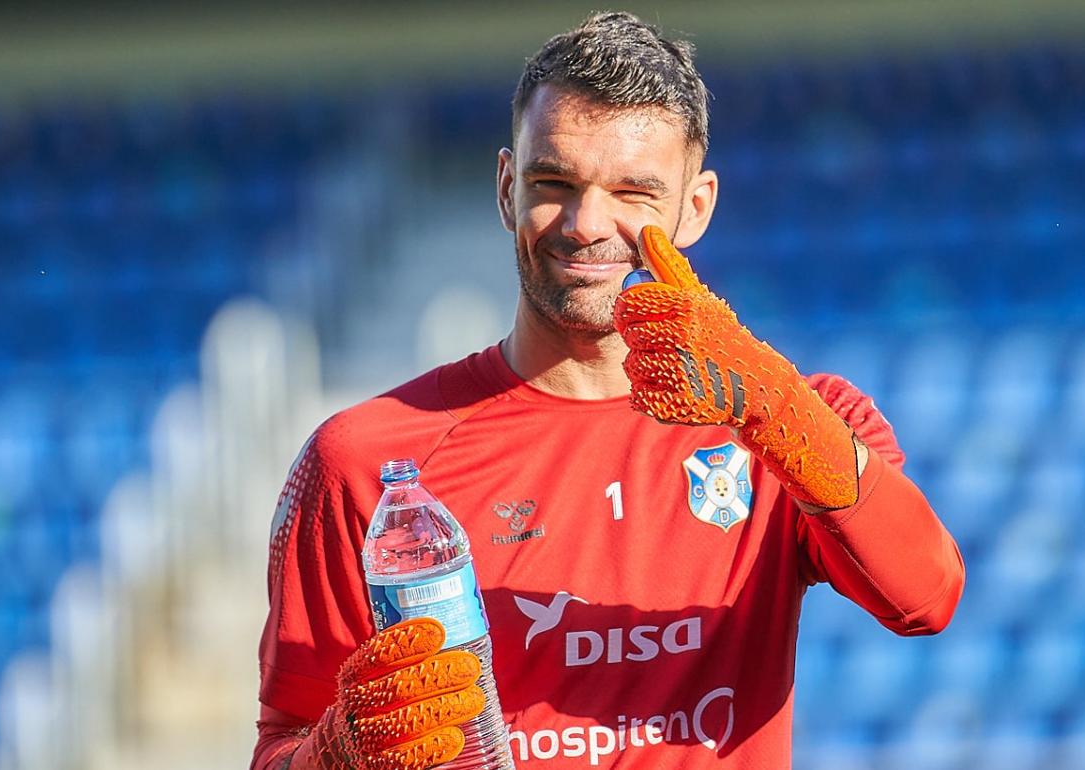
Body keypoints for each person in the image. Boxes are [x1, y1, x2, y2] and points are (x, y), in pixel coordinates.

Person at [251, 11, 965, 770]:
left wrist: (772, 406)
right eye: (553, 182)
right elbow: (280, 747)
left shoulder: (794, 423)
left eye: (633, 192)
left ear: (695, 208)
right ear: (505, 189)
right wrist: (339, 753)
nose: (587, 224)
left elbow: (925, 595)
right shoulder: (368, 461)